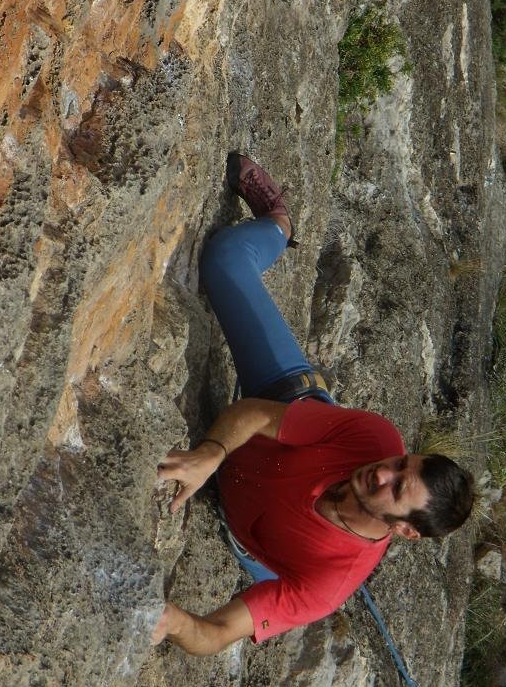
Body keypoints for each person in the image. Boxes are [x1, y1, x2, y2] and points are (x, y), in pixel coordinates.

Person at [152, 153, 474, 655]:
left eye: (397, 487)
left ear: (406, 532)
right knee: (224, 260)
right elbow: (255, 413)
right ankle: (278, 226)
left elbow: (215, 634)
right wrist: (211, 454)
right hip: (279, 397)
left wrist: (172, 621)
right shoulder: (375, 438)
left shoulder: (327, 580)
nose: (383, 470)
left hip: (256, 537)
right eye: (402, 462)